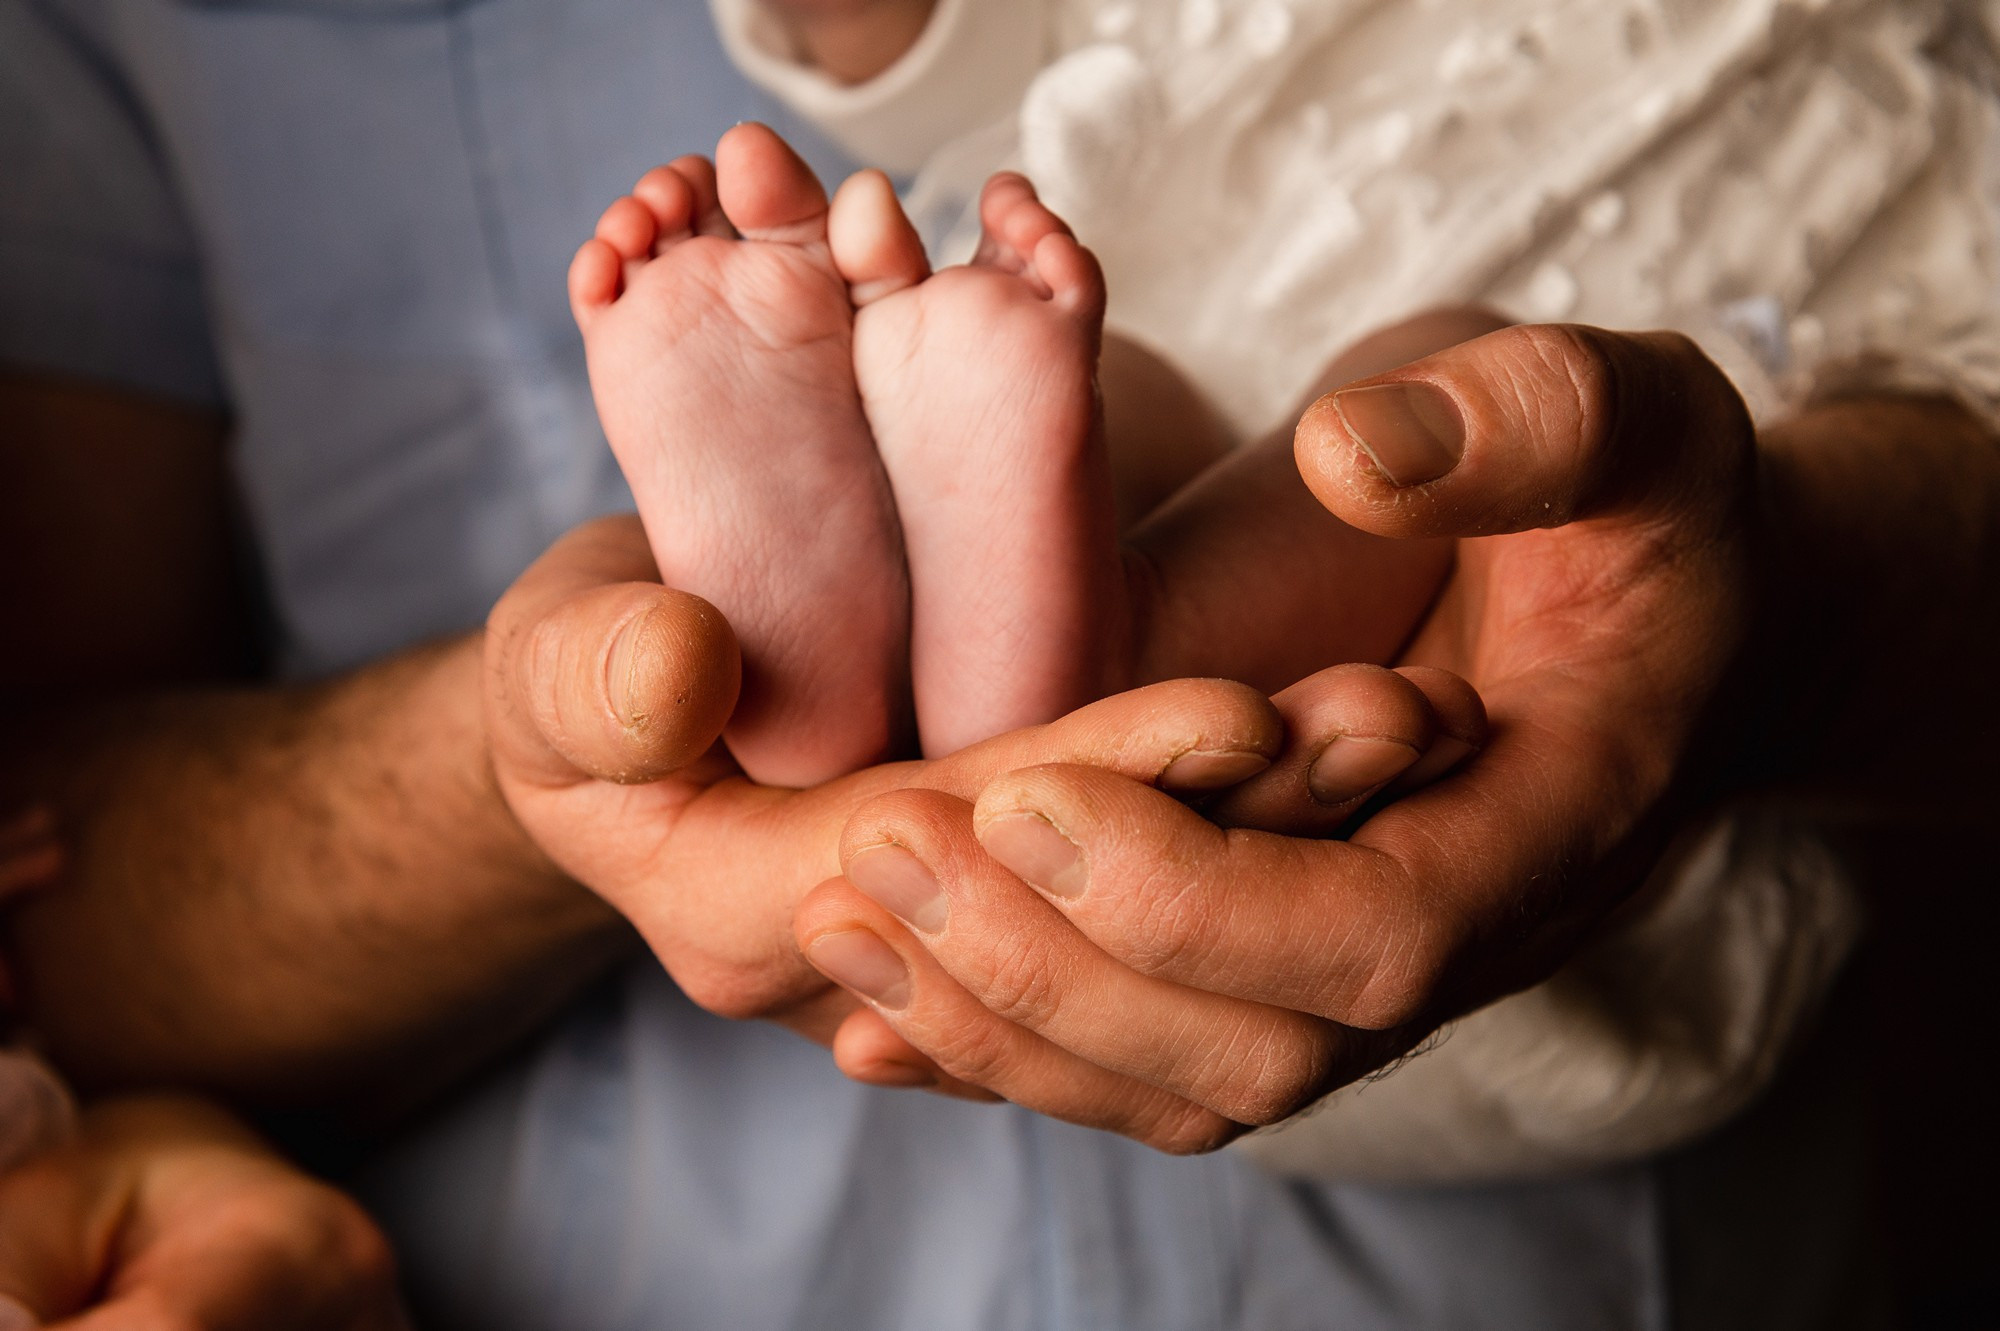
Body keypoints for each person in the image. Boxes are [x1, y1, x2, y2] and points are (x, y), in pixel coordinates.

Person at [2, 3, 1995, 1330]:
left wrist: (1815, 616)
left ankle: (913, 630)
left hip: (1531, 874)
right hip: (1253, 250)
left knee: (1410, 431)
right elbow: (52, 857)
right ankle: (975, 594)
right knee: (1182, 393)